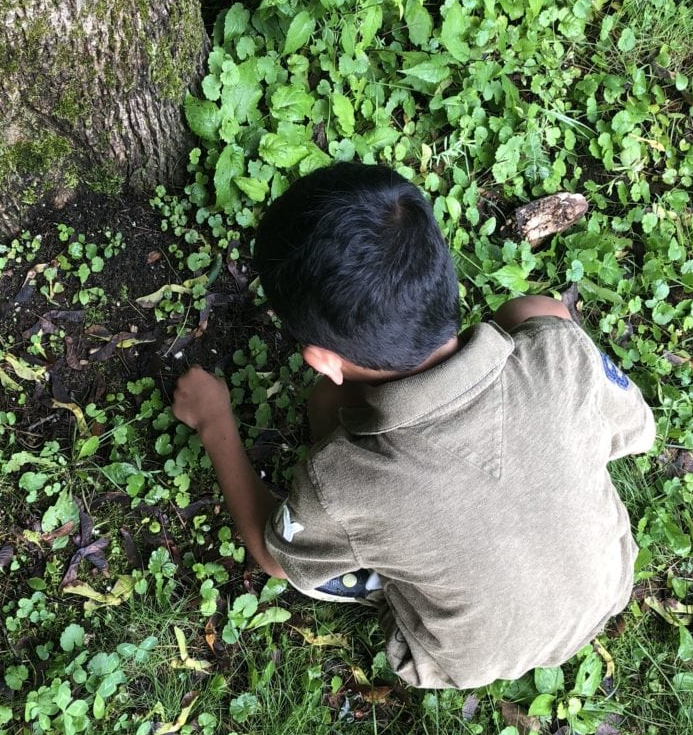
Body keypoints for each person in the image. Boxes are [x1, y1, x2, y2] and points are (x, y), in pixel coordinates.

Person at [172, 162, 656, 689]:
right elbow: (635, 429)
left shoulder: (338, 481)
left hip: (461, 658)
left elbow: (273, 556)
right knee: (532, 308)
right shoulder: (560, 354)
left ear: (323, 360)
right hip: (608, 581)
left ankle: (380, 570)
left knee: (326, 442)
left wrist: (214, 421)